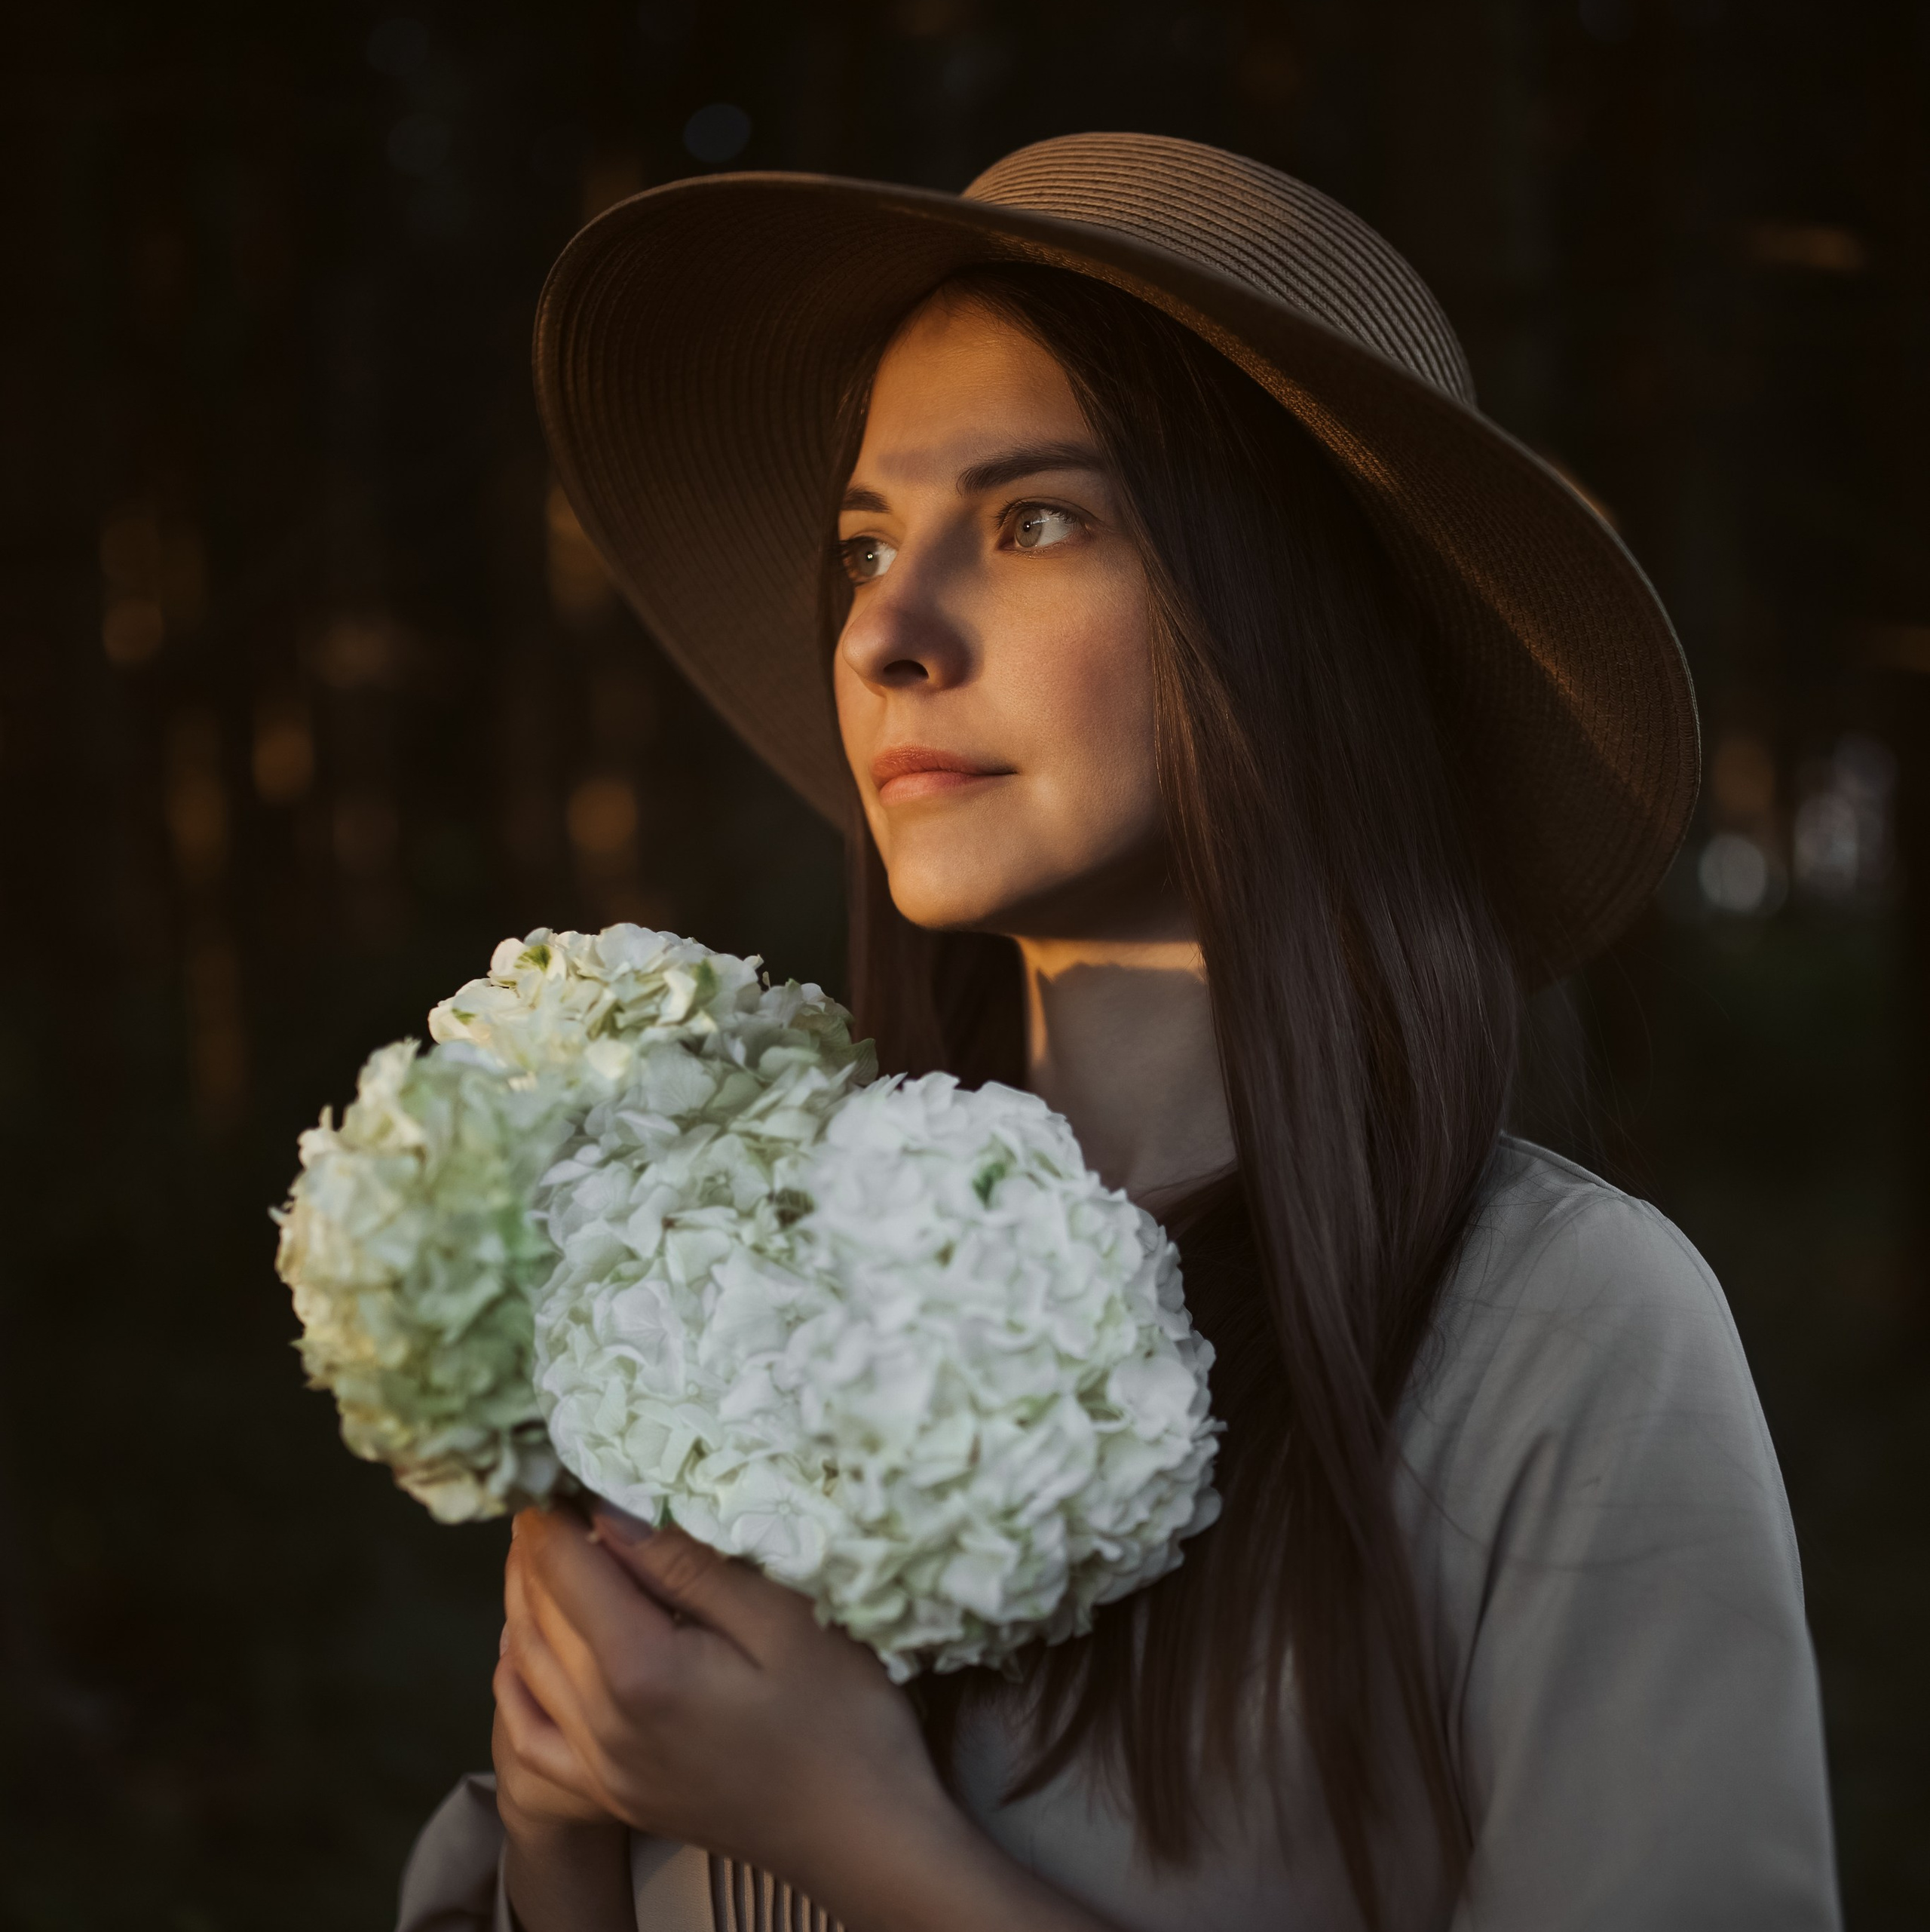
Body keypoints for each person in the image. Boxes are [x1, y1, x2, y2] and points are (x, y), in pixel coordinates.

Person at [396, 133, 1840, 1932]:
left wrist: (865, 1843)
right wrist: (563, 1821)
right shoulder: (738, 1282)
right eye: (863, 545)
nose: (887, 636)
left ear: (1285, 617)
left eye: (1032, 521)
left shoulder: (1558, 1344)